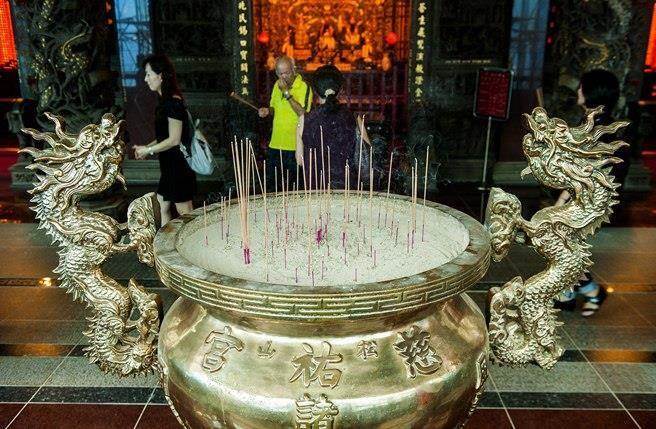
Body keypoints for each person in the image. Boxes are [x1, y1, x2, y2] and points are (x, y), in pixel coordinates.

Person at [554, 69, 628, 317]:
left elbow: (583, 171)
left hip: (588, 201)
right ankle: (570, 293)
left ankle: (589, 290)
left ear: (591, 93)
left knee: (563, 242)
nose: (578, 91)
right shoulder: (600, 124)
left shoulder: (596, 129)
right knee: (567, 243)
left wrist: (562, 200)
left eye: (581, 86)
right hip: (591, 199)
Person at [133, 54, 196, 225]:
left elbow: (174, 140)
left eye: (148, 74)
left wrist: (148, 150)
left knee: (185, 213)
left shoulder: (173, 103)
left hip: (178, 166)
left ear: (160, 76)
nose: (146, 79)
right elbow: (164, 137)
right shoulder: (164, 102)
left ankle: (193, 241)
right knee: (163, 206)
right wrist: (146, 148)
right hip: (168, 166)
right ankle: (163, 241)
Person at [296, 64, 369, 189]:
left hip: (317, 190)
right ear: (340, 90)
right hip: (347, 191)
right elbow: (367, 155)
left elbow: (300, 160)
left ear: (315, 91)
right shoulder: (354, 118)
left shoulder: (304, 119)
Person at [258, 56, 312, 187]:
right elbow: (274, 108)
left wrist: (286, 93)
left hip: (295, 146)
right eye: (280, 73)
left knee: (295, 187)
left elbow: (303, 113)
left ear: (293, 69)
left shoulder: (304, 87)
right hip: (276, 143)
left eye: (286, 73)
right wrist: (267, 111)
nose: (283, 77)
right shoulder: (277, 85)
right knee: (273, 187)